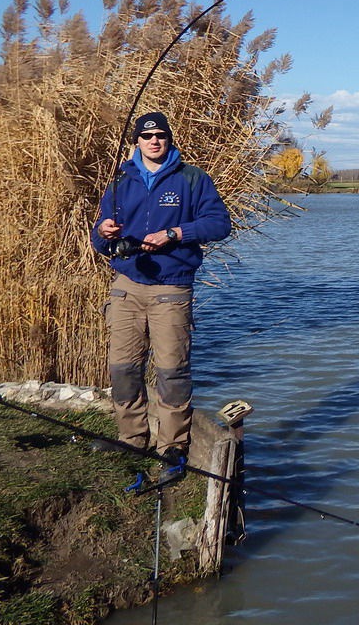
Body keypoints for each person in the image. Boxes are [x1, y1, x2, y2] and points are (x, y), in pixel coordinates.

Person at [91, 111, 231, 468]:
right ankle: (132, 439)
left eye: (160, 135)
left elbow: (219, 223)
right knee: (123, 369)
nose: (154, 141)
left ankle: (172, 446)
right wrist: (105, 232)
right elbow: (99, 235)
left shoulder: (192, 178)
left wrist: (176, 234)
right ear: (136, 141)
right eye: (147, 135)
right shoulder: (120, 179)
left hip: (172, 288)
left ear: (169, 139)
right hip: (126, 286)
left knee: (171, 371)